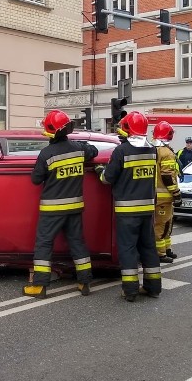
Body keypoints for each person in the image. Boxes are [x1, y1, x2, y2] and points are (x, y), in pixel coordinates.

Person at [24, 109, 99, 299]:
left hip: (52, 209)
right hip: (74, 207)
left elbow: (35, 179)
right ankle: (85, 282)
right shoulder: (79, 149)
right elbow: (94, 150)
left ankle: (39, 286)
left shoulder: (46, 154)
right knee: (78, 243)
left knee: (44, 244)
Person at [98, 111, 160, 302]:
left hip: (127, 210)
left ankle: (130, 290)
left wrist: (100, 172)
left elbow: (108, 178)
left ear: (126, 129)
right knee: (148, 247)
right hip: (147, 209)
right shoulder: (152, 150)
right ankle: (153, 287)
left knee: (127, 249)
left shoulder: (121, 151)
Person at [151, 121, 182, 264]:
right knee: (161, 225)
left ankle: (167, 249)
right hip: (164, 197)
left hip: (157, 196)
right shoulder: (166, 152)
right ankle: (160, 254)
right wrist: (176, 193)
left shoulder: (153, 149)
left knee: (166, 225)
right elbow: (167, 176)